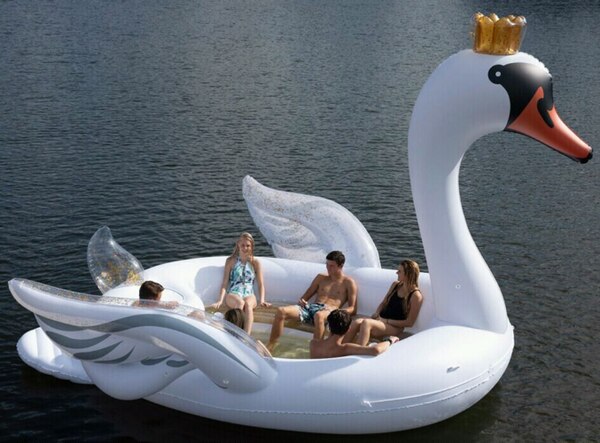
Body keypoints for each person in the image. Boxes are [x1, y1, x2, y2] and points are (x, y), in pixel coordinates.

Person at [267, 250, 357, 352]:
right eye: (327, 264)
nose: (328, 268)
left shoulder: (348, 282)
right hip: (310, 308)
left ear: (340, 266)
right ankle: (271, 345)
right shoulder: (321, 278)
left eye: (332, 266)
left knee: (319, 315)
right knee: (281, 311)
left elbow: (353, 309)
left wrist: (337, 311)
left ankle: (317, 350)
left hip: (330, 312)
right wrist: (303, 302)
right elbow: (304, 297)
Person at [343, 260, 423, 346]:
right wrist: (377, 313)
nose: (396, 273)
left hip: (395, 327)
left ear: (408, 274)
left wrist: (387, 321)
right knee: (357, 322)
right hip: (381, 320)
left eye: (400, 271)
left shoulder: (415, 296)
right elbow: (384, 303)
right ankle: (341, 348)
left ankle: (359, 351)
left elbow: (409, 322)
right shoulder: (396, 285)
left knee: (366, 323)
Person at [211, 232, 268, 335]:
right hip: (234, 293)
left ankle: (246, 336)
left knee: (248, 305)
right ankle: (234, 334)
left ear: (252, 246)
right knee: (240, 303)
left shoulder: (255, 263)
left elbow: (261, 284)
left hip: (249, 294)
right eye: (243, 245)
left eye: (248, 245)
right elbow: (224, 283)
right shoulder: (230, 261)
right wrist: (220, 300)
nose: (245, 248)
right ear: (238, 245)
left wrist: (262, 300)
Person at [310, 310, 399, 358]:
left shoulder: (314, 344)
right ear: (348, 329)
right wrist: (390, 340)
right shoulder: (345, 349)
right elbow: (376, 350)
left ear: (329, 326)